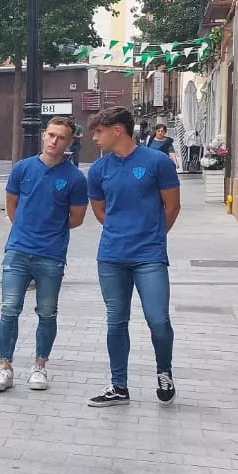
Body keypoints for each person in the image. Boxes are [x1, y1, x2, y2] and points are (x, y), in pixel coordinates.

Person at [84, 105, 181, 407]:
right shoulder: (99, 169)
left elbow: (172, 206)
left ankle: (164, 372)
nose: (95, 138)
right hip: (111, 256)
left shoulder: (157, 162)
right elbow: (100, 210)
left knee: (158, 320)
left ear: (118, 130)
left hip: (149, 256)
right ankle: (119, 386)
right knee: (116, 321)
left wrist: (151, 234)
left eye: (99, 132)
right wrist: (120, 231)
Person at [0, 117, 89, 392]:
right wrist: (26, 227)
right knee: (9, 308)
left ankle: (39, 366)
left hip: (51, 254)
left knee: (47, 312)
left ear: (70, 142)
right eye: (51, 135)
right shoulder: (22, 169)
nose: (55, 141)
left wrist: (49, 227)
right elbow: (12, 205)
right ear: (44, 135)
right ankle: (5, 367)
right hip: (18, 250)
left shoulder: (75, 178)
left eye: (62, 137)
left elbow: (77, 218)